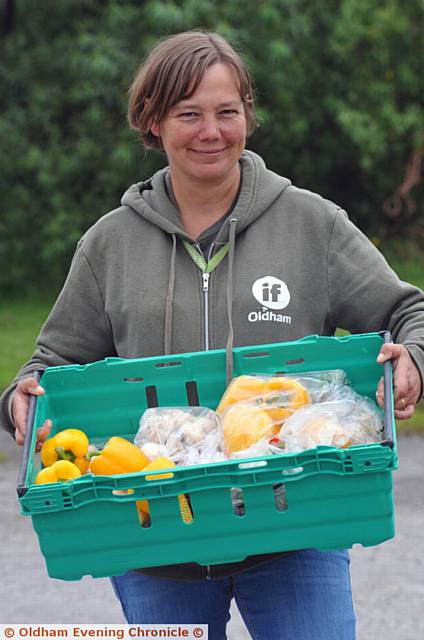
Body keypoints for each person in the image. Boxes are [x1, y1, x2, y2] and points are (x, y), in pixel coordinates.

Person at [1, 30, 423, 640]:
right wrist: (21, 396)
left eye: (228, 112)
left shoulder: (312, 224)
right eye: (188, 114)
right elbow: (51, 364)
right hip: (155, 541)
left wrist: (412, 358)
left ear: (248, 115)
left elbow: (409, 311)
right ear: (152, 120)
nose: (211, 132)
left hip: (293, 526)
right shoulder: (109, 245)